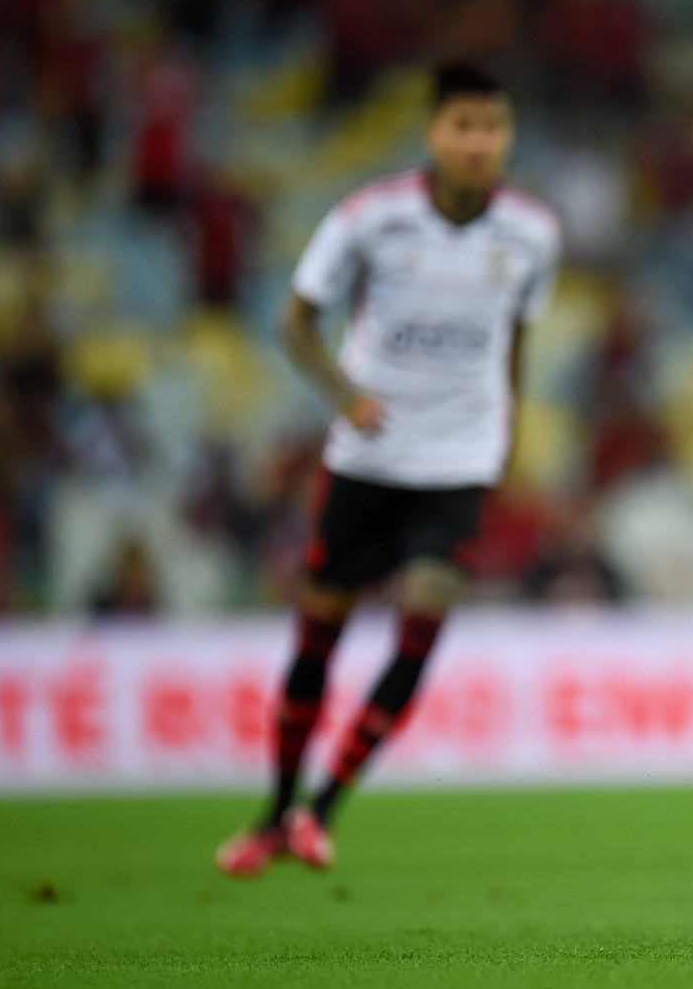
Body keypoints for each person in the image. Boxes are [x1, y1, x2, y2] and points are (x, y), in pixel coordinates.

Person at [217, 62, 559, 876]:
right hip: (369, 456)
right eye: (464, 126)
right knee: (318, 637)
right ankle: (274, 810)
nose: (480, 143)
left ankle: (323, 809)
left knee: (422, 624)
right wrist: (344, 396)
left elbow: (515, 336)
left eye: (494, 127)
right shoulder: (370, 219)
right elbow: (295, 319)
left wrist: (506, 425)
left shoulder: (533, 234)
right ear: (432, 134)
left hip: (458, 459)